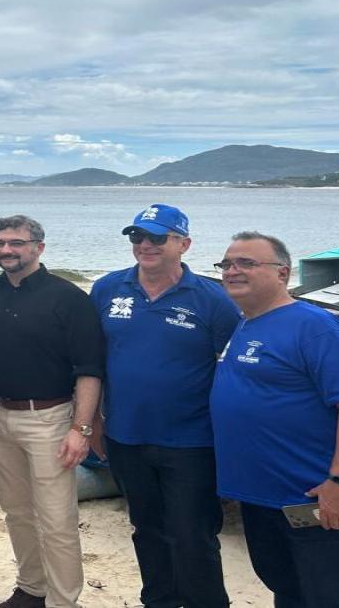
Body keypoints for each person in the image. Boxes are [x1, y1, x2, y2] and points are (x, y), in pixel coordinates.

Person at [210, 232, 339, 607]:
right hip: (260, 496)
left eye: (247, 263)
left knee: (330, 598)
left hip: (314, 496)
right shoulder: (246, 324)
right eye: (227, 264)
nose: (233, 271)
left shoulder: (315, 327)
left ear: (283, 273)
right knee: (287, 592)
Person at [89, 204, 239, 608]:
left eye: (157, 237)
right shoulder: (106, 289)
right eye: (137, 236)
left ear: (184, 244)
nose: (145, 245)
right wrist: (92, 421)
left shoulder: (213, 300)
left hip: (190, 440)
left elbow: (234, 371)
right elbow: (93, 362)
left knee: (192, 533)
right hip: (125, 436)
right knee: (146, 529)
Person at [0, 215, 105, 608]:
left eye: (16, 242)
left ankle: (64, 601)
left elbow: (90, 369)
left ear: (38, 248)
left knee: (57, 520)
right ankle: (32, 588)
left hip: (50, 418)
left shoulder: (68, 299)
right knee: (16, 511)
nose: (6, 250)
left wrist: (81, 428)